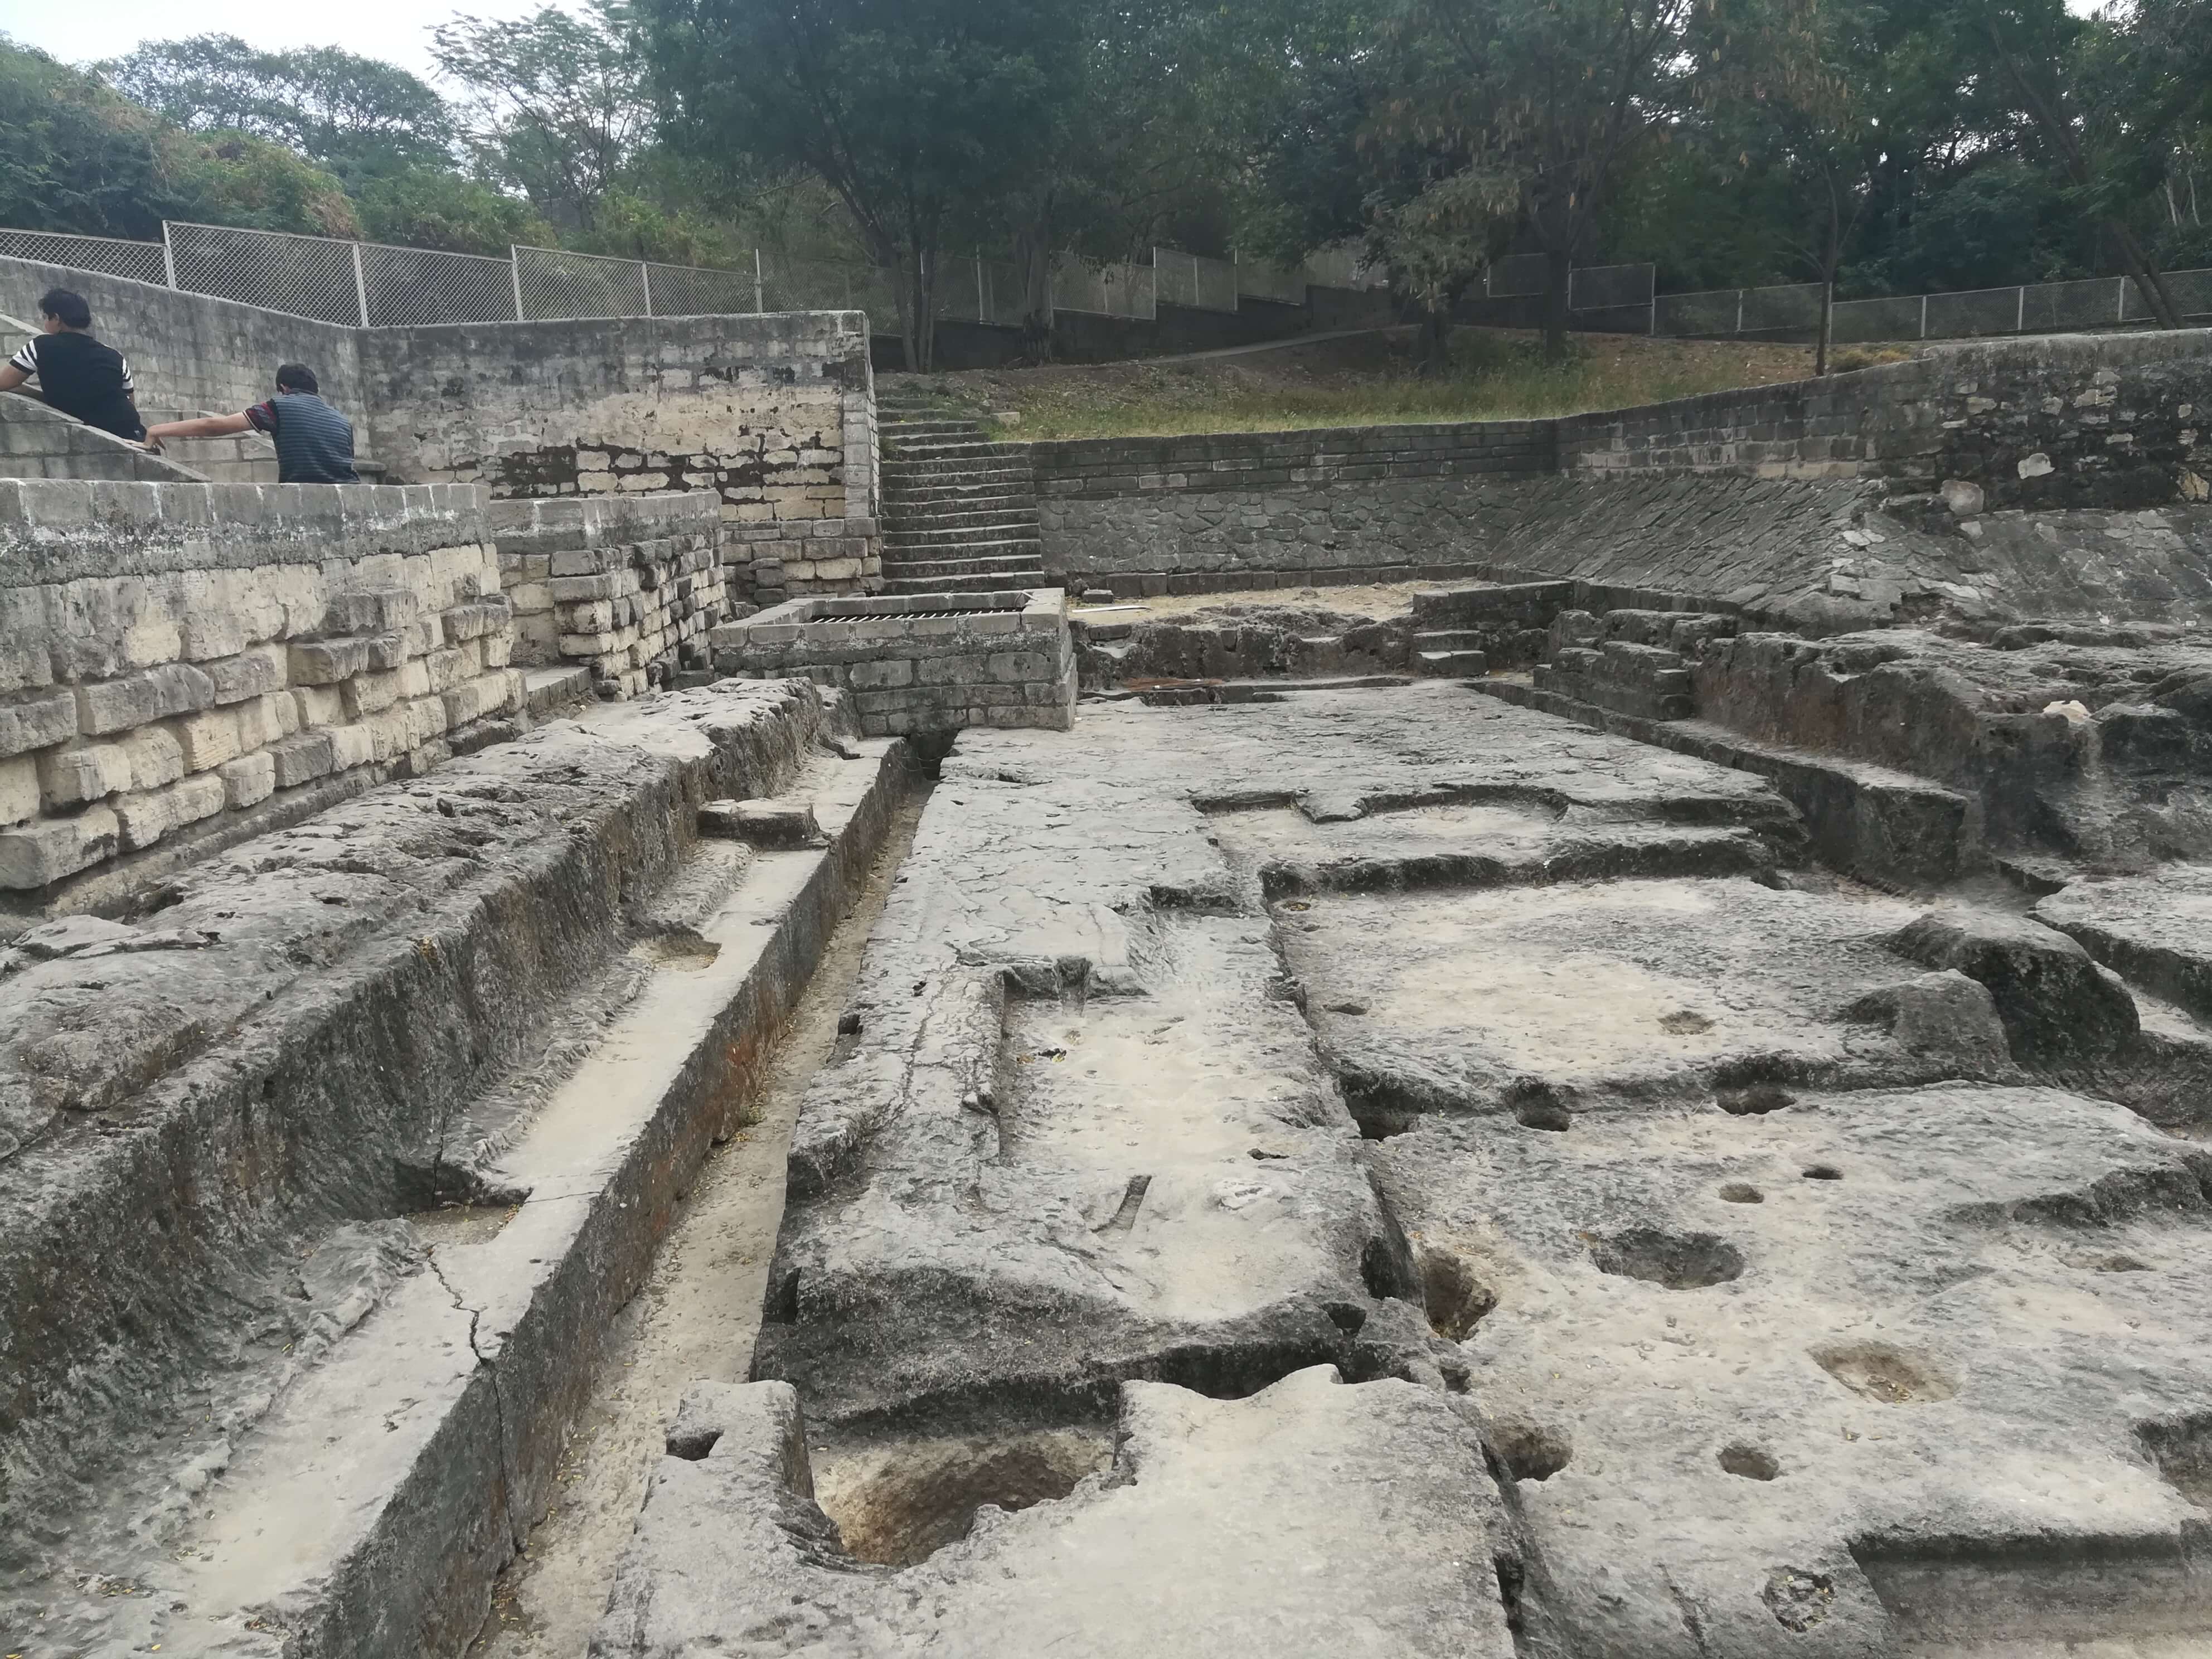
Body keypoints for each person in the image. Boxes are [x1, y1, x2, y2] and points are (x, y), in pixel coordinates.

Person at [144, 363, 359, 484]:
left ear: (283, 388)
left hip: (304, 492)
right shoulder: (343, 421)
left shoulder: (278, 407)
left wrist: (156, 429)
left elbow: (215, 426)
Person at [0, 287, 145, 442]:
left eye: (46, 318)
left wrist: (41, 396)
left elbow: (3, 382)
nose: (45, 323)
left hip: (97, 440)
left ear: (56, 319)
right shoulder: (114, 356)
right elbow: (130, 401)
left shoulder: (41, 346)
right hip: (134, 434)